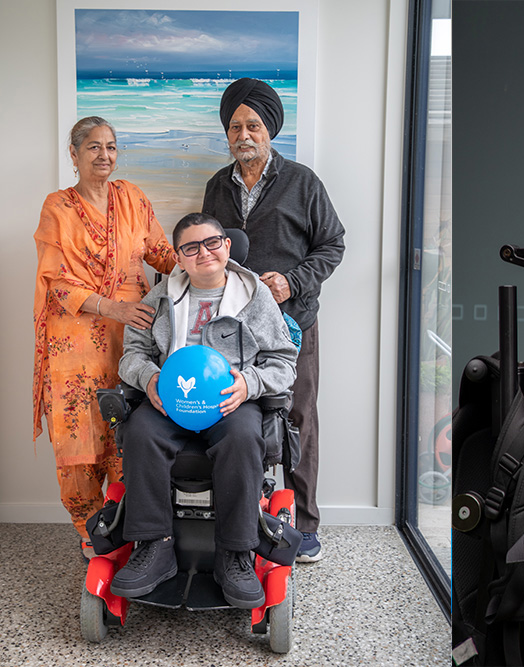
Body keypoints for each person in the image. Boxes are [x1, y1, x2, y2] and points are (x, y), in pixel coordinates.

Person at [110, 213, 298, 608]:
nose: (204, 253)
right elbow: (132, 354)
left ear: (226, 247)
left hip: (231, 403)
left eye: (212, 243)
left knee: (245, 437)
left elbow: (283, 360)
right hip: (171, 400)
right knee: (141, 432)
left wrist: (251, 384)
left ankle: (236, 554)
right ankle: (154, 547)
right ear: (179, 257)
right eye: (191, 248)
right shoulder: (159, 298)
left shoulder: (254, 297)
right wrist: (147, 379)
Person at [202, 78, 345, 563]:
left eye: (254, 125)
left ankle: (304, 524)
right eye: (236, 126)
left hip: (291, 323)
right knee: (239, 413)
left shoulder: (303, 182)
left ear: (270, 130)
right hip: (232, 328)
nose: (244, 134)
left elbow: (333, 245)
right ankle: (246, 516)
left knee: (297, 417)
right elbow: (206, 250)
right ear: (227, 133)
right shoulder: (216, 187)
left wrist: (292, 282)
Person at [33, 116, 176, 560]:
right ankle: (90, 527)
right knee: (78, 435)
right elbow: (55, 281)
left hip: (131, 337)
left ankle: (127, 522)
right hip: (73, 339)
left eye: (111, 147)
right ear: (73, 155)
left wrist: (210, 264)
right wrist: (109, 305)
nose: (104, 155)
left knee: (126, 425)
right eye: (93, 147)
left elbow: (162, 255)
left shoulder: (131, 197)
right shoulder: (57, 206)